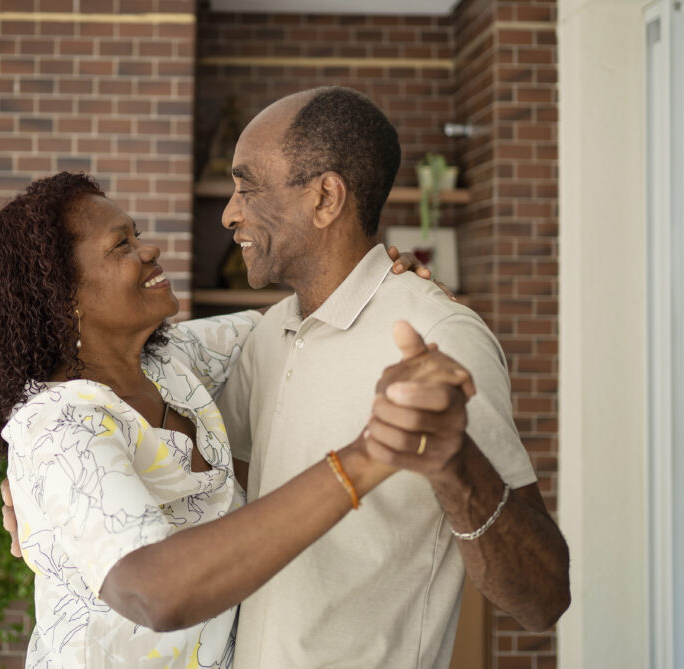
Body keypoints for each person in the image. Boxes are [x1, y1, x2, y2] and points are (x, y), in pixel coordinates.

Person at [0, 172, 441, 668]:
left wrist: (383, 286)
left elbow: (295, 322)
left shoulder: (170, 361)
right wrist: (364, 460)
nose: (149, 249)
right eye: (121, 245)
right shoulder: (58, 427)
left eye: (136, 234)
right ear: (61, 294)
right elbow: (152, 592)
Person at [214, 86, 570, 668]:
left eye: (247, 187)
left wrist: (455, 465)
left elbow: (544, 598)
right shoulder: (271, 335)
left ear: (326, 197)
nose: (230, 212)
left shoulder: (438, 336)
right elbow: (208, 491)